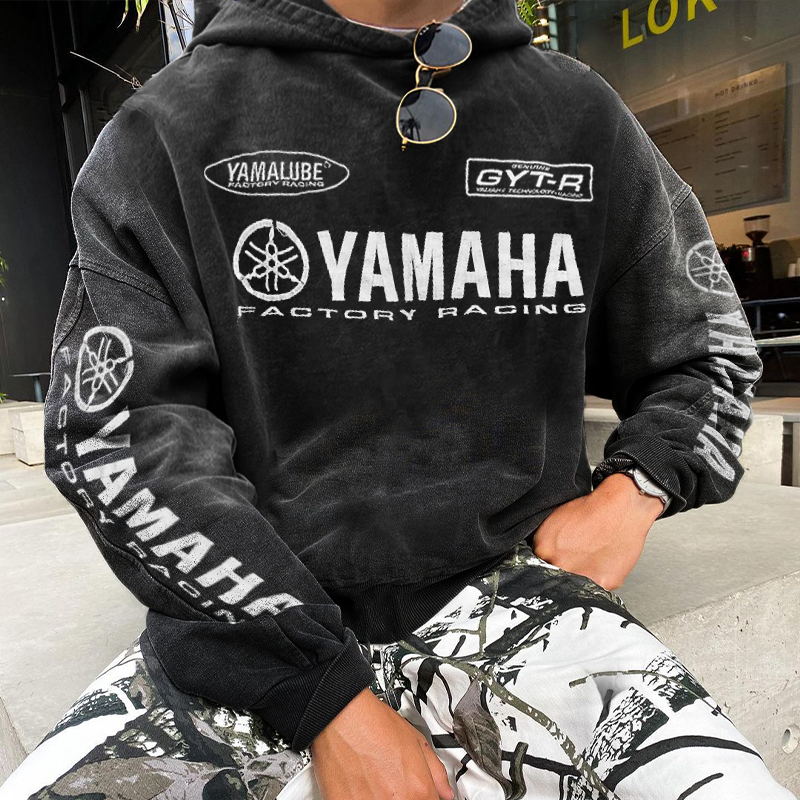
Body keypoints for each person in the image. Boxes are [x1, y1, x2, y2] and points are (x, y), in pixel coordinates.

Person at [0, 0, 795, 798]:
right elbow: (119, 430)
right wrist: (327, 699)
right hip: (257, 622)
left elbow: (713, 350)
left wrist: (636, 491)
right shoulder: (169, 128)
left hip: (522, 594)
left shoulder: (576, 113)